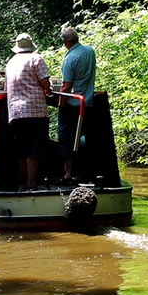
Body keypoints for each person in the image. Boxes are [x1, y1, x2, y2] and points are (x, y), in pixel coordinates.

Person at [5, 33, 51, 191]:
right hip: (35, 111)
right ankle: (32, 184)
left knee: (22, 150)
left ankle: (23, 184)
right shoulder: (36, 59)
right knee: (34, 150)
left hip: (16, 113)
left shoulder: (10, 63)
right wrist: (48, 89)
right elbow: (45, 84)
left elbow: (6, 89)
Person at [56, 27, 96, 185]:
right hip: (88, 102)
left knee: (66, 139)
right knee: (84, 139)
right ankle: (87, 173)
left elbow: (66, 86)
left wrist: (61, 105)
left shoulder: (69, 59)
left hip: (73, 105)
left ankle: (68, 174)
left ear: (65, 42)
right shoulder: (90, 51)